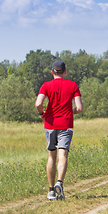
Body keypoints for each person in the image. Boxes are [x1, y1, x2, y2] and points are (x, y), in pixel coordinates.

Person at [35, 60, 83, 201]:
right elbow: (79, 108)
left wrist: (41, 113)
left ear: (52, 72)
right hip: (66, 124)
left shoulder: (46, 85)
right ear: (65, 72)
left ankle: (51, 191)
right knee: (63, 155)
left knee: (51, 156)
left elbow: (38, 103)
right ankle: (59, 183)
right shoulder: (73, 85)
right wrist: (70, 111)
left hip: (50, 124)